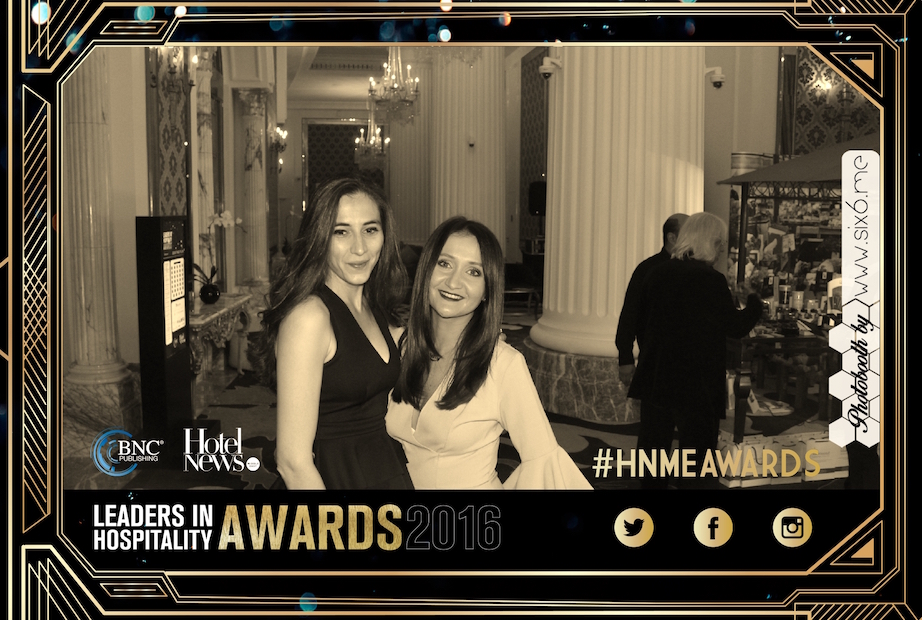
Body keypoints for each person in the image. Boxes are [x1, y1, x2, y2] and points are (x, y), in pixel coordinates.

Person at [387, 217, 592, 490]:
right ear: (426, 271)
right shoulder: (398, 346)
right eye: (445, 263)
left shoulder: (503, 365)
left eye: (474, 272)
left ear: (487, 290)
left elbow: (542, 460)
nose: (454, 281)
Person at [251, 177, 413, 490]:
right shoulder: (310, 316)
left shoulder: (371, 306)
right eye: (341, 232)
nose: (359, 248)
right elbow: (291, 461)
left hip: (378, 467)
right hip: (330, 479)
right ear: (319, 238)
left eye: (370, 230)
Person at [628, 212, 762, 489]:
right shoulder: (711, 280)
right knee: (697, 454)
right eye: (720, 241)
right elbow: (735, 327)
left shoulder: (657, 272)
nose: (722, 248)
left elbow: (638, 319)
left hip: (657, 373)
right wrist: (754, 302)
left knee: (653, 446)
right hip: (696, 379)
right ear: (708, 241)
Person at [615, 213, 689, 388]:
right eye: (689, 232)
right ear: (672, 238)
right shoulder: (647, 269)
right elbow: (630, 314)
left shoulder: (694, 269)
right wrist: (625, 358)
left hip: (687, 361)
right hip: (654, 359)